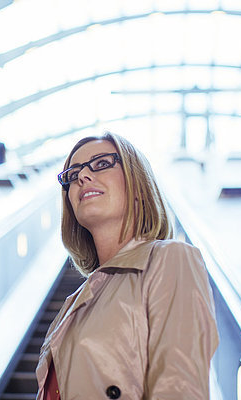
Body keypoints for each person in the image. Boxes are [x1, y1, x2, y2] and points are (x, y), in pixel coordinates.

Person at [36, 132, 218, 399]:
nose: (83, 176)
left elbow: (179, 388)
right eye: (73, 175)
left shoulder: (170, 259)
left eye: (101, 163)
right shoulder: (72, 304)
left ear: (138, 186)